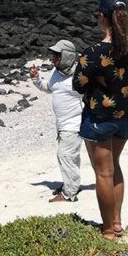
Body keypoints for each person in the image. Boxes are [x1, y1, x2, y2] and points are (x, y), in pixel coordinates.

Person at [73, 0, 128, 239]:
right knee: (115, 166)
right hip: (126, 117)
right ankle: (116, 222)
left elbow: (78, 85)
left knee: (103, 172)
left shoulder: (93, 52)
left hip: (100, 118)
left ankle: (107, 231)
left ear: (102, 18)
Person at [29, 39, 83, 203]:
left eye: (56, 56)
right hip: (61, 124)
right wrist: (36, 79)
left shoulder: (81, 74)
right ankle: (72, 184)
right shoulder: (57, 72)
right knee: (70, 157)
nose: (52, 59)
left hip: (75, 123)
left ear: (67, 56)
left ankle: (69, 193)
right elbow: (49, 88)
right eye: (53, 55)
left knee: (65, 155)